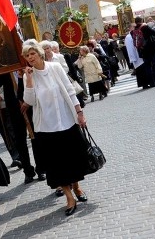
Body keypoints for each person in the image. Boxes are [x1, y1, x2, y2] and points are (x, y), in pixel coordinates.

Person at [21, 41, 90, 216]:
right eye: (27, 56)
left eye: (32, 54)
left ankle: (76, 186)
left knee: (72, 158)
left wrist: (79, 113)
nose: (30, 58)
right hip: (46, 127)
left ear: (39, 53)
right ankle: (69, 197)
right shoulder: (28, 76)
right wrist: (29, 79)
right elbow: (29, 101)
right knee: (56, 165)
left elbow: (70, 90)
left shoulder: (55, 68)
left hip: (66, 121)